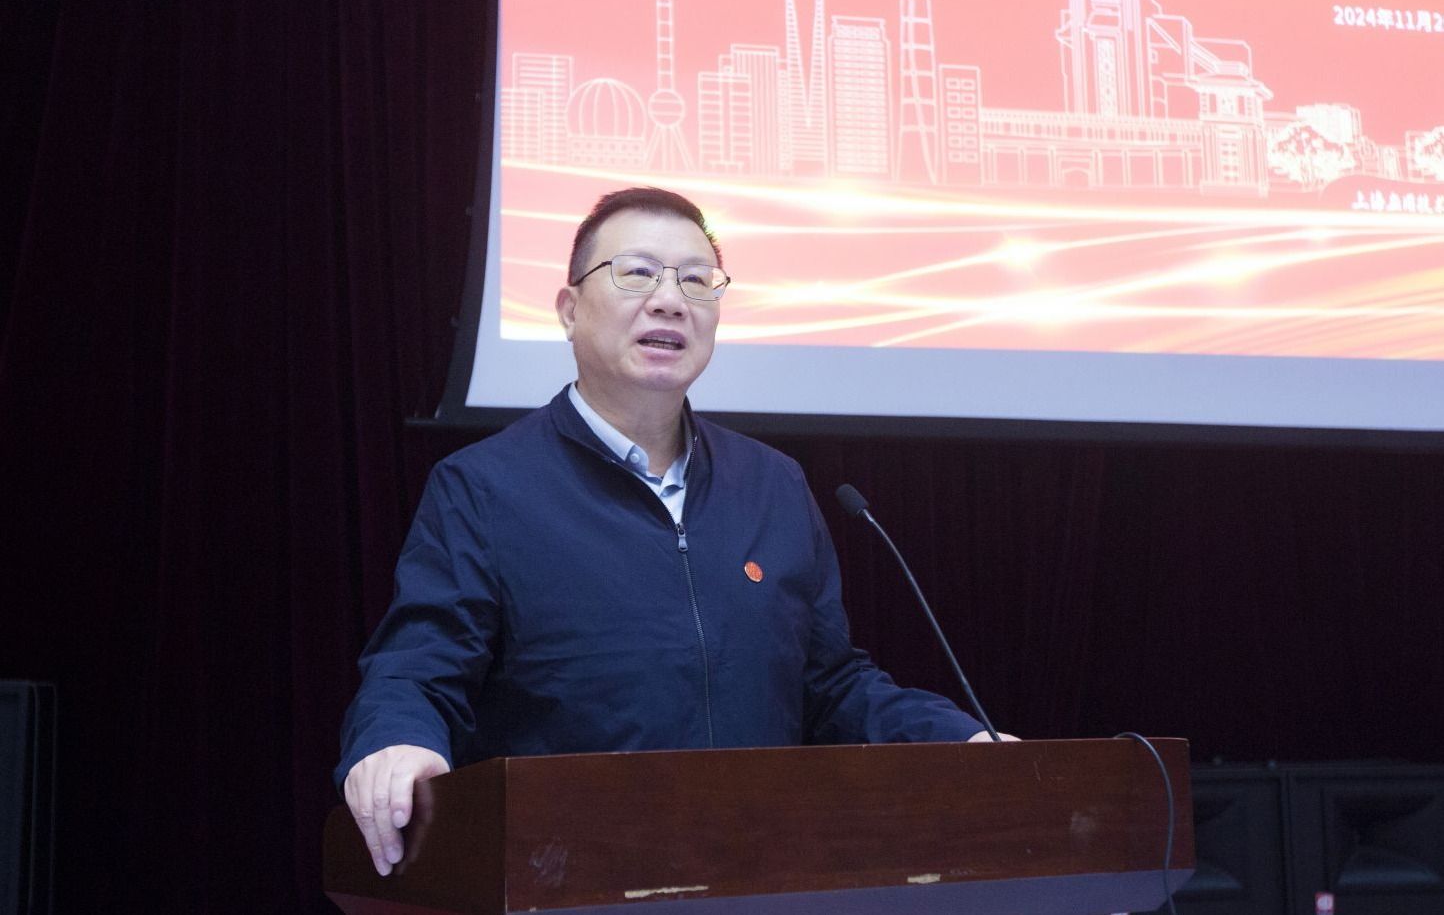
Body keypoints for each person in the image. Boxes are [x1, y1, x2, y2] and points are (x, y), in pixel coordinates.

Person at [337, 187, 1011, 877]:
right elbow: (418, 668)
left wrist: (958, 739)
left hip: (762, 873)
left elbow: (829, 684)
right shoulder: (485, 487)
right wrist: (396, 743)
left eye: (696, 280)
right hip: (569, 874)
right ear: (569, 310)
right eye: (636, 273)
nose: (669, 300)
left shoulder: (772, 484)